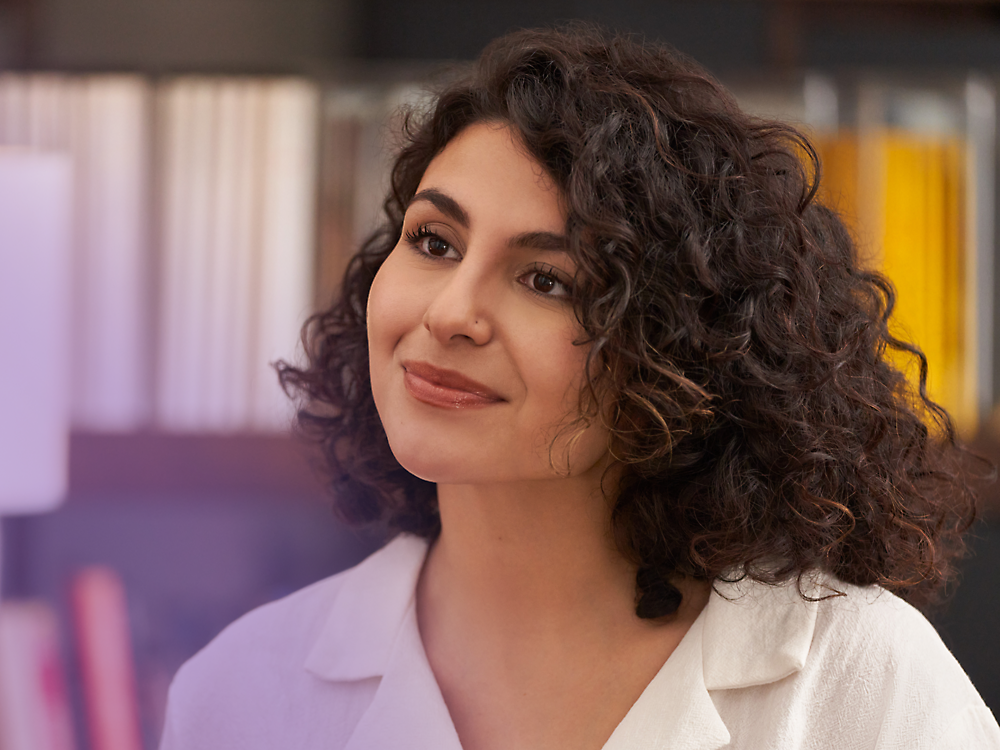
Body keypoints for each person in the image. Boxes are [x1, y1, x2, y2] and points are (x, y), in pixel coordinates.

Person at [159, 24, 1000, 750]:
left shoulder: (863, 687)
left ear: (675, 348)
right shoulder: (238, 693)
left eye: (547, 281)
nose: (452, 314)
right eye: (434, 242)